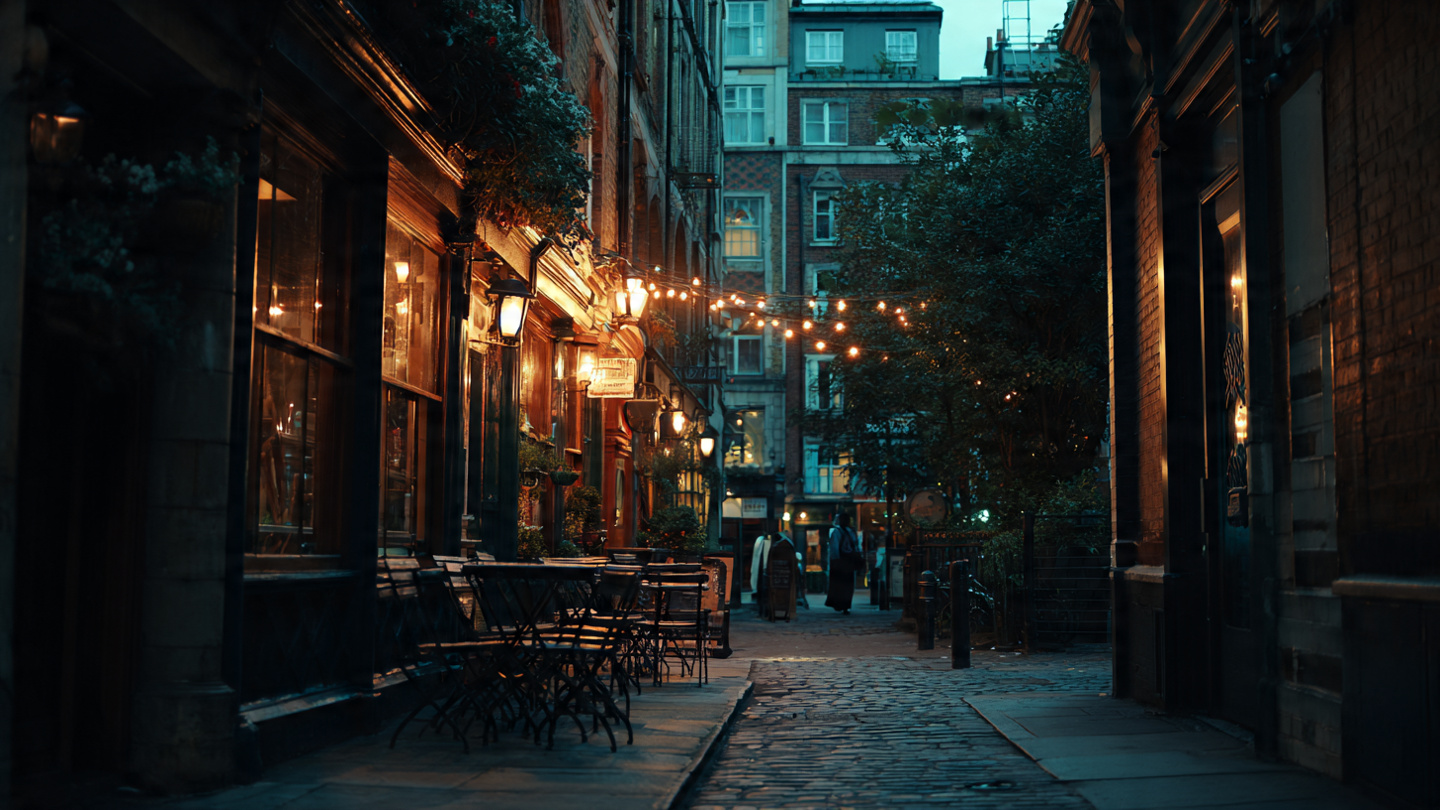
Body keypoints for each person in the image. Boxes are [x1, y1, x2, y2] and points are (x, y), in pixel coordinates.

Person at [824, 512, 862, 614]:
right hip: (848, 561)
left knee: (839, 584)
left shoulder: (837, 532)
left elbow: (834, 548)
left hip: (841, 561)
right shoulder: (851, 532)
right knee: (847, 584)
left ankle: (840, 604)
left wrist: (834, 561)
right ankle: (845, 605)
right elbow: (856, 546)